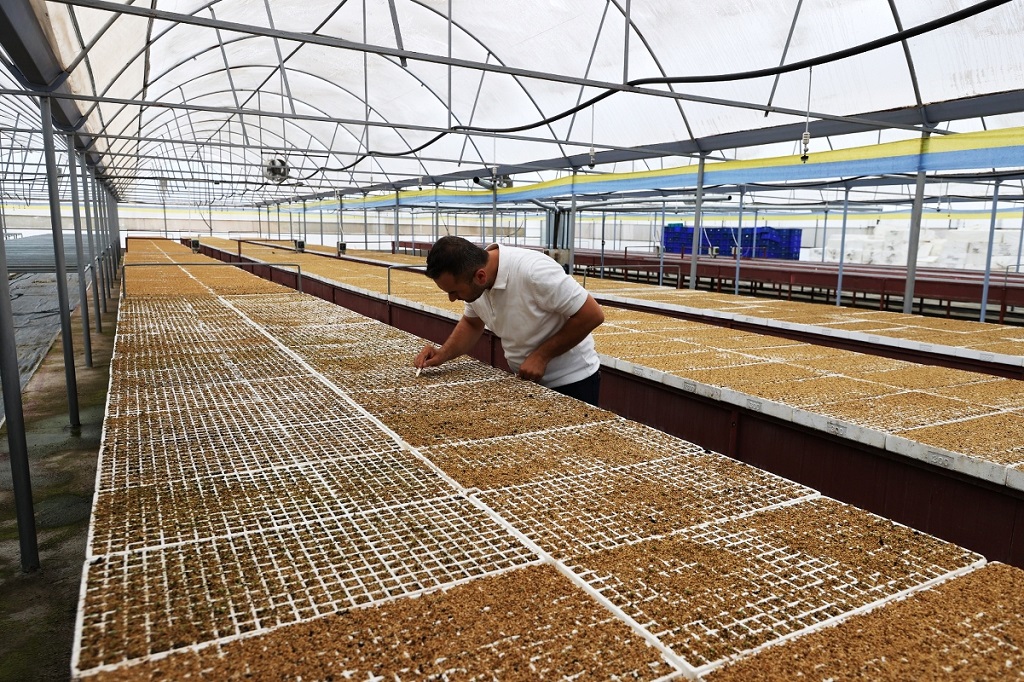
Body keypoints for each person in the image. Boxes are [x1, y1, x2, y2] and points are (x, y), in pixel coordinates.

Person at [413, 236, 605, 406]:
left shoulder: (533, 271)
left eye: (454, 291)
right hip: (526, 380)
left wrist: (542, 356)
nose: (452, 299)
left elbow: (592, 314)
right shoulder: (476, 283)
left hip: (573, 382)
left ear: (480, 276)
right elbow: (472, 323)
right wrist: (442, 354)